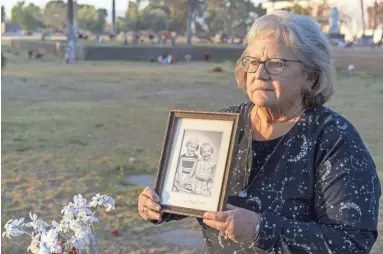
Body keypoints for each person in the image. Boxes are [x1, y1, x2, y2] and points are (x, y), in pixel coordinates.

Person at [137, 11, 381, 253]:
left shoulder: (334, 138)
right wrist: (162, 204)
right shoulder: (223, 126)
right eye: (253, 62)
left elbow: (352, 242)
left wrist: (260, 228)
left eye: (276, 64)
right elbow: (194, 193)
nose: (260, 74)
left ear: (311, 75)